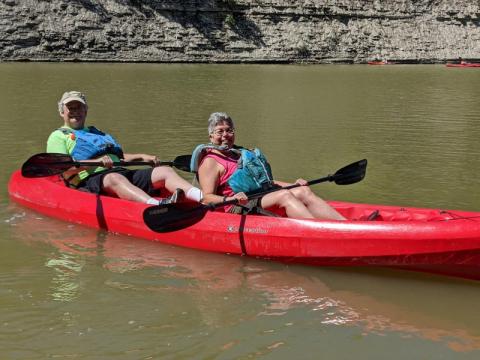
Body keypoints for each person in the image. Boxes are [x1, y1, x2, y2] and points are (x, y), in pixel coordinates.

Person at [47, 91, 203, 206]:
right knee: (114, 178)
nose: (75, 111)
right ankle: (154, 206)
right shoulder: (58, 136)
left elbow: (117, 157)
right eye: (70, 108)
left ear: (86, 110)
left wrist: (142, 157)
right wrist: (95, 162)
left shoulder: (95, 132)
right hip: (88, 182)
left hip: (118, 172)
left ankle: (202, 197)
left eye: (79, 108)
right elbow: (62, 168)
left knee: (164, 171)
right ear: (62, 112)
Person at [193, 112, 346, 220]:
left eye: (229, 130)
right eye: (220, 132)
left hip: (260, 196)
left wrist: (293, 185)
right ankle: (318, 231)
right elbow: (207, 198)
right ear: (211, 136)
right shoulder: (210, 162)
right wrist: (232, 198)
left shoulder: (239, 154)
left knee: (303, 191)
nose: (226, 135)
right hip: (236, 206)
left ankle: (346, 225)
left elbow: (267, 183)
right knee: (284, 195)